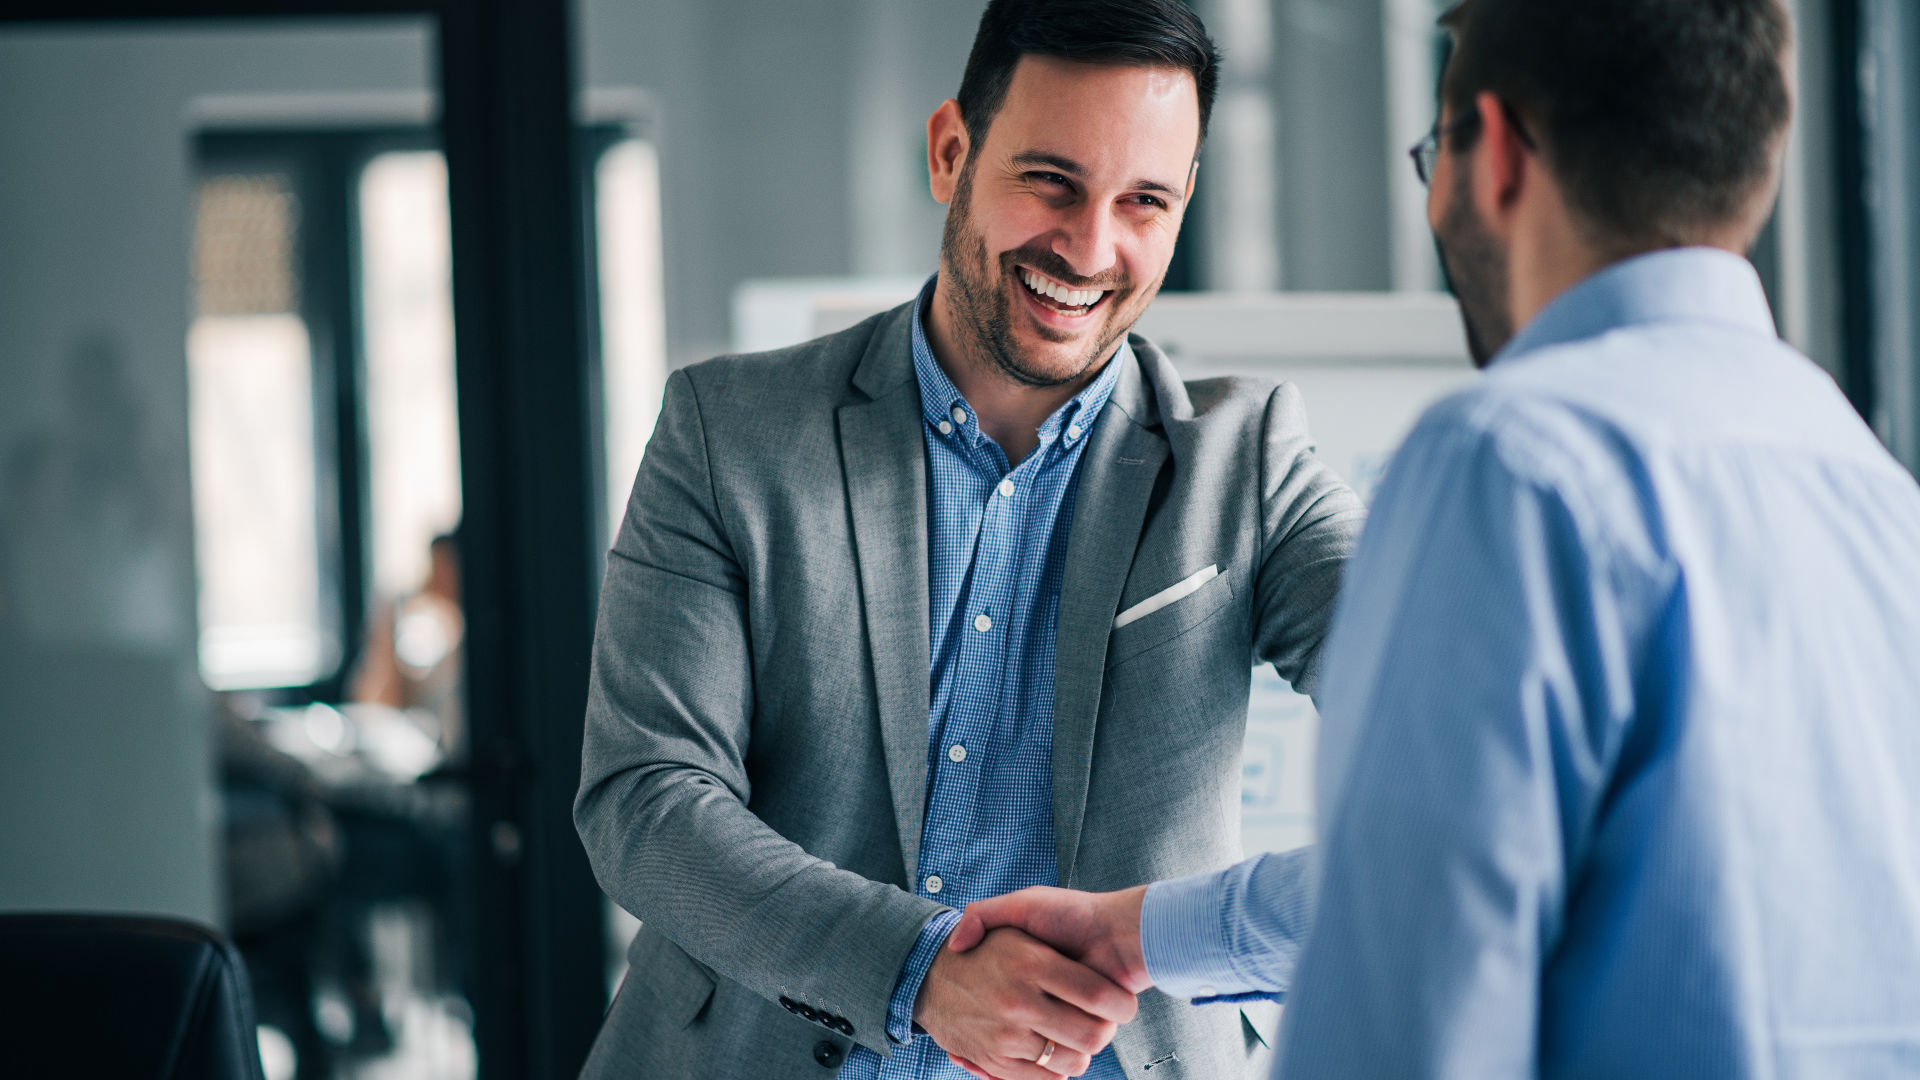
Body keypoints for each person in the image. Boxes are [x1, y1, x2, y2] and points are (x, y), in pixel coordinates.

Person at [950, 0, 1920, 1076]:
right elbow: (1444, 865)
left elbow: (1409, 994)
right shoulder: (1872, 491)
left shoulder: (1512, 461)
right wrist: (1144, 931)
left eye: (1432, 155)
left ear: (1493, 152)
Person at [572, 1, 1367, 1077]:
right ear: (952, 151)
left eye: (1145, 201)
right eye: (1051, 181)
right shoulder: (732, 434)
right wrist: (921, 971)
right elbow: (647, 800)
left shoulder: (1249, 460)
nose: (1090, 249)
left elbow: (1453, 723)